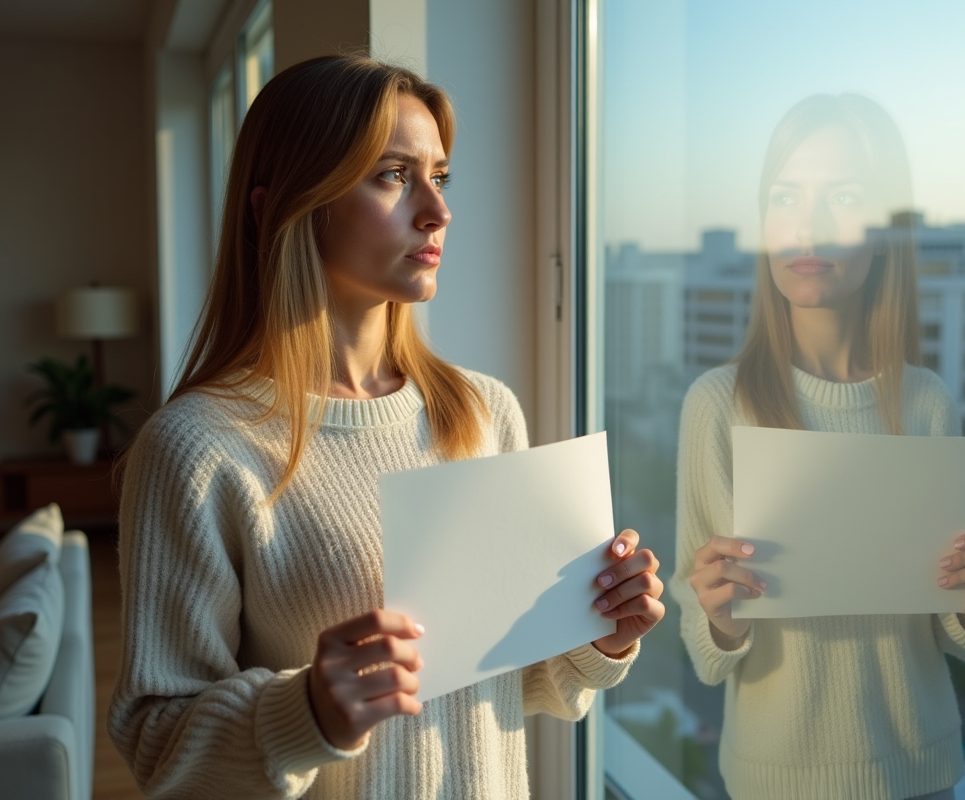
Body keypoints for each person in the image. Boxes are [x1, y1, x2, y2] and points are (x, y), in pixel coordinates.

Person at [107, 55, 665, 800]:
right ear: (286, 207)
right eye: (393, 175)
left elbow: (522, 681)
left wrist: (602, 631)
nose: (437, 211)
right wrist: (305, 711)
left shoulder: (484, 412)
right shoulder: (198, 449)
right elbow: (157, 743)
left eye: (441, 175)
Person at [671, 94, 965, 800]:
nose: (809, 225)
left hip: (922, 775)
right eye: (786, 196)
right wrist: (718, 617)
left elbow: (951, 635)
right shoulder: (717, 404)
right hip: (774, 782)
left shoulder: (926, 402)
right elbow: (706, 654)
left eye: (845, 196)